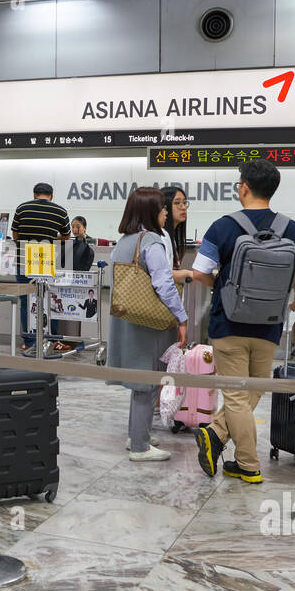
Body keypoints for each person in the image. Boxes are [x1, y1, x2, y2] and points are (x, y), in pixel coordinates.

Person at [191, 159, 295, 483]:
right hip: (270, 325)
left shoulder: (223, 226)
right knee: (253, 390)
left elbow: (201, 272)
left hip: (228, 324)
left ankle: (245, 461)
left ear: (244, 187)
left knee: (236, 395)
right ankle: (219, 438)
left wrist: (221, 285)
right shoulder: (292, 228)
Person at [107, 188, 188, 462]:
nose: (166, 211)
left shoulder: (124, 241)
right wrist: (182, 316)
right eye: (163, 207)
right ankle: (140, 446)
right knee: (148, 379)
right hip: (149, 323)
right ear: (151, 211)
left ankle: (137, 434)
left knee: (140, 380)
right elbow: (164, 284)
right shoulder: (151, 241)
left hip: (127, 318)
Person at [11, 182, 71, 350]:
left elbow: (15, 235)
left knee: (25, 301)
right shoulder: (60, 211)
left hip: (24, 260)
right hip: (45, 260)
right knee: (49, 300)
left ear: (34, 194)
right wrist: (51, 235)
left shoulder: (21, 208)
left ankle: (29, 342)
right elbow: (66, 237)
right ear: (51, 196)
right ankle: (50, 341)